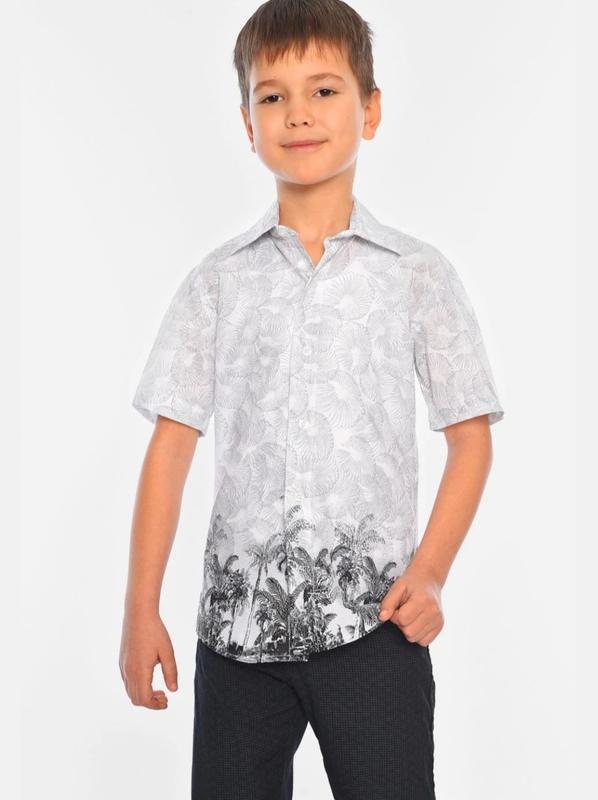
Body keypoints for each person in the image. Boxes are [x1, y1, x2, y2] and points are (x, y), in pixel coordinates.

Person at [119, 1, 505, 798]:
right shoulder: (218, 282)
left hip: (376, 627)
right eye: (273, 96)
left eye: (324, 90)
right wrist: (139, 608)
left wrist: (431, 573)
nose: (298, 113)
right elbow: (171, 447)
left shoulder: (416, 276)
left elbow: (470, 437)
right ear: (247, 123)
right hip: (236, 637)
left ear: (371, 110)